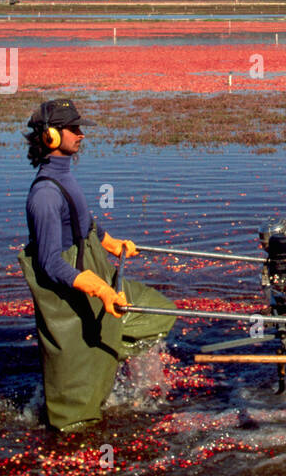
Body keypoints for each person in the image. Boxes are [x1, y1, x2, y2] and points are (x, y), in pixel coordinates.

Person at [17, 98, 174, 431]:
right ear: (51, 137)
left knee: (157, 312)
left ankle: (109, 357)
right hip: (68, 292)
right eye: (73, 128)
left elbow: (82, 220)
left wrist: (109, 241)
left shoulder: (65, 176)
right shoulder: (44, 196)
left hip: (89, 270)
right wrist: (100, 289)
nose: (81, 134)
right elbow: (48, 264)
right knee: (75, 411)